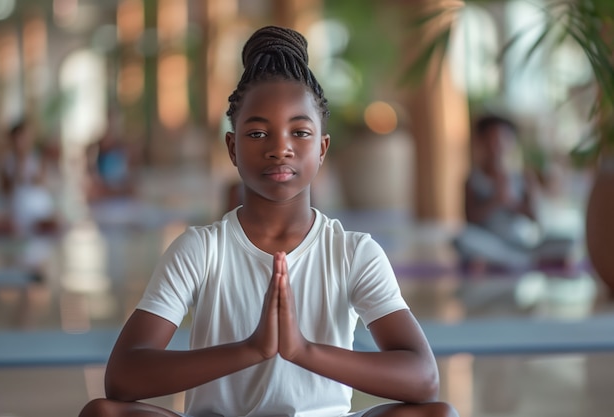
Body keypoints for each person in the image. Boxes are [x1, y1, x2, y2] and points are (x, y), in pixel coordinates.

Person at [79, 26, 457, 417]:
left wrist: (302, 351)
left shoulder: (352, 252)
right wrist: (251, 349)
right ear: (233, 148)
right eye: (258, 132)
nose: (280, 148)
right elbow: (122, 376)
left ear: (322, 148)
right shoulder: (201, 250)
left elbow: (424, 379)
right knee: (103, 413)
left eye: (300, 132)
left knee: (437, 415)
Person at [452, 114, 573, 274]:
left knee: (568, 239)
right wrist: (496, 200)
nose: (496, 146)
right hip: (490, 242)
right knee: (462, 239)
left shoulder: (523, 177)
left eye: (501, 140)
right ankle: (522, 260)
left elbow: (536, 219)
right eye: (491, 140)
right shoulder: (473, 179)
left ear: (511, 142)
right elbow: (469, 220)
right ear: (481, 142)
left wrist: (513, 203)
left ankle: (510, 260)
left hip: (520, 243)